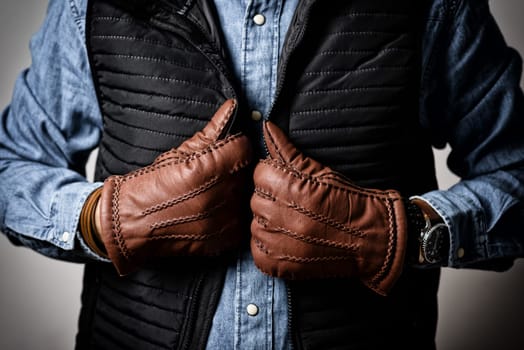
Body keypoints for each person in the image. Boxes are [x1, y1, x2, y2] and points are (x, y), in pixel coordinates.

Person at [1, 0, 524, 349]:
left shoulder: (434, 6)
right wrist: (103, 219)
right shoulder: (88, 7)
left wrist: (402, 234)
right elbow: (10, 165)